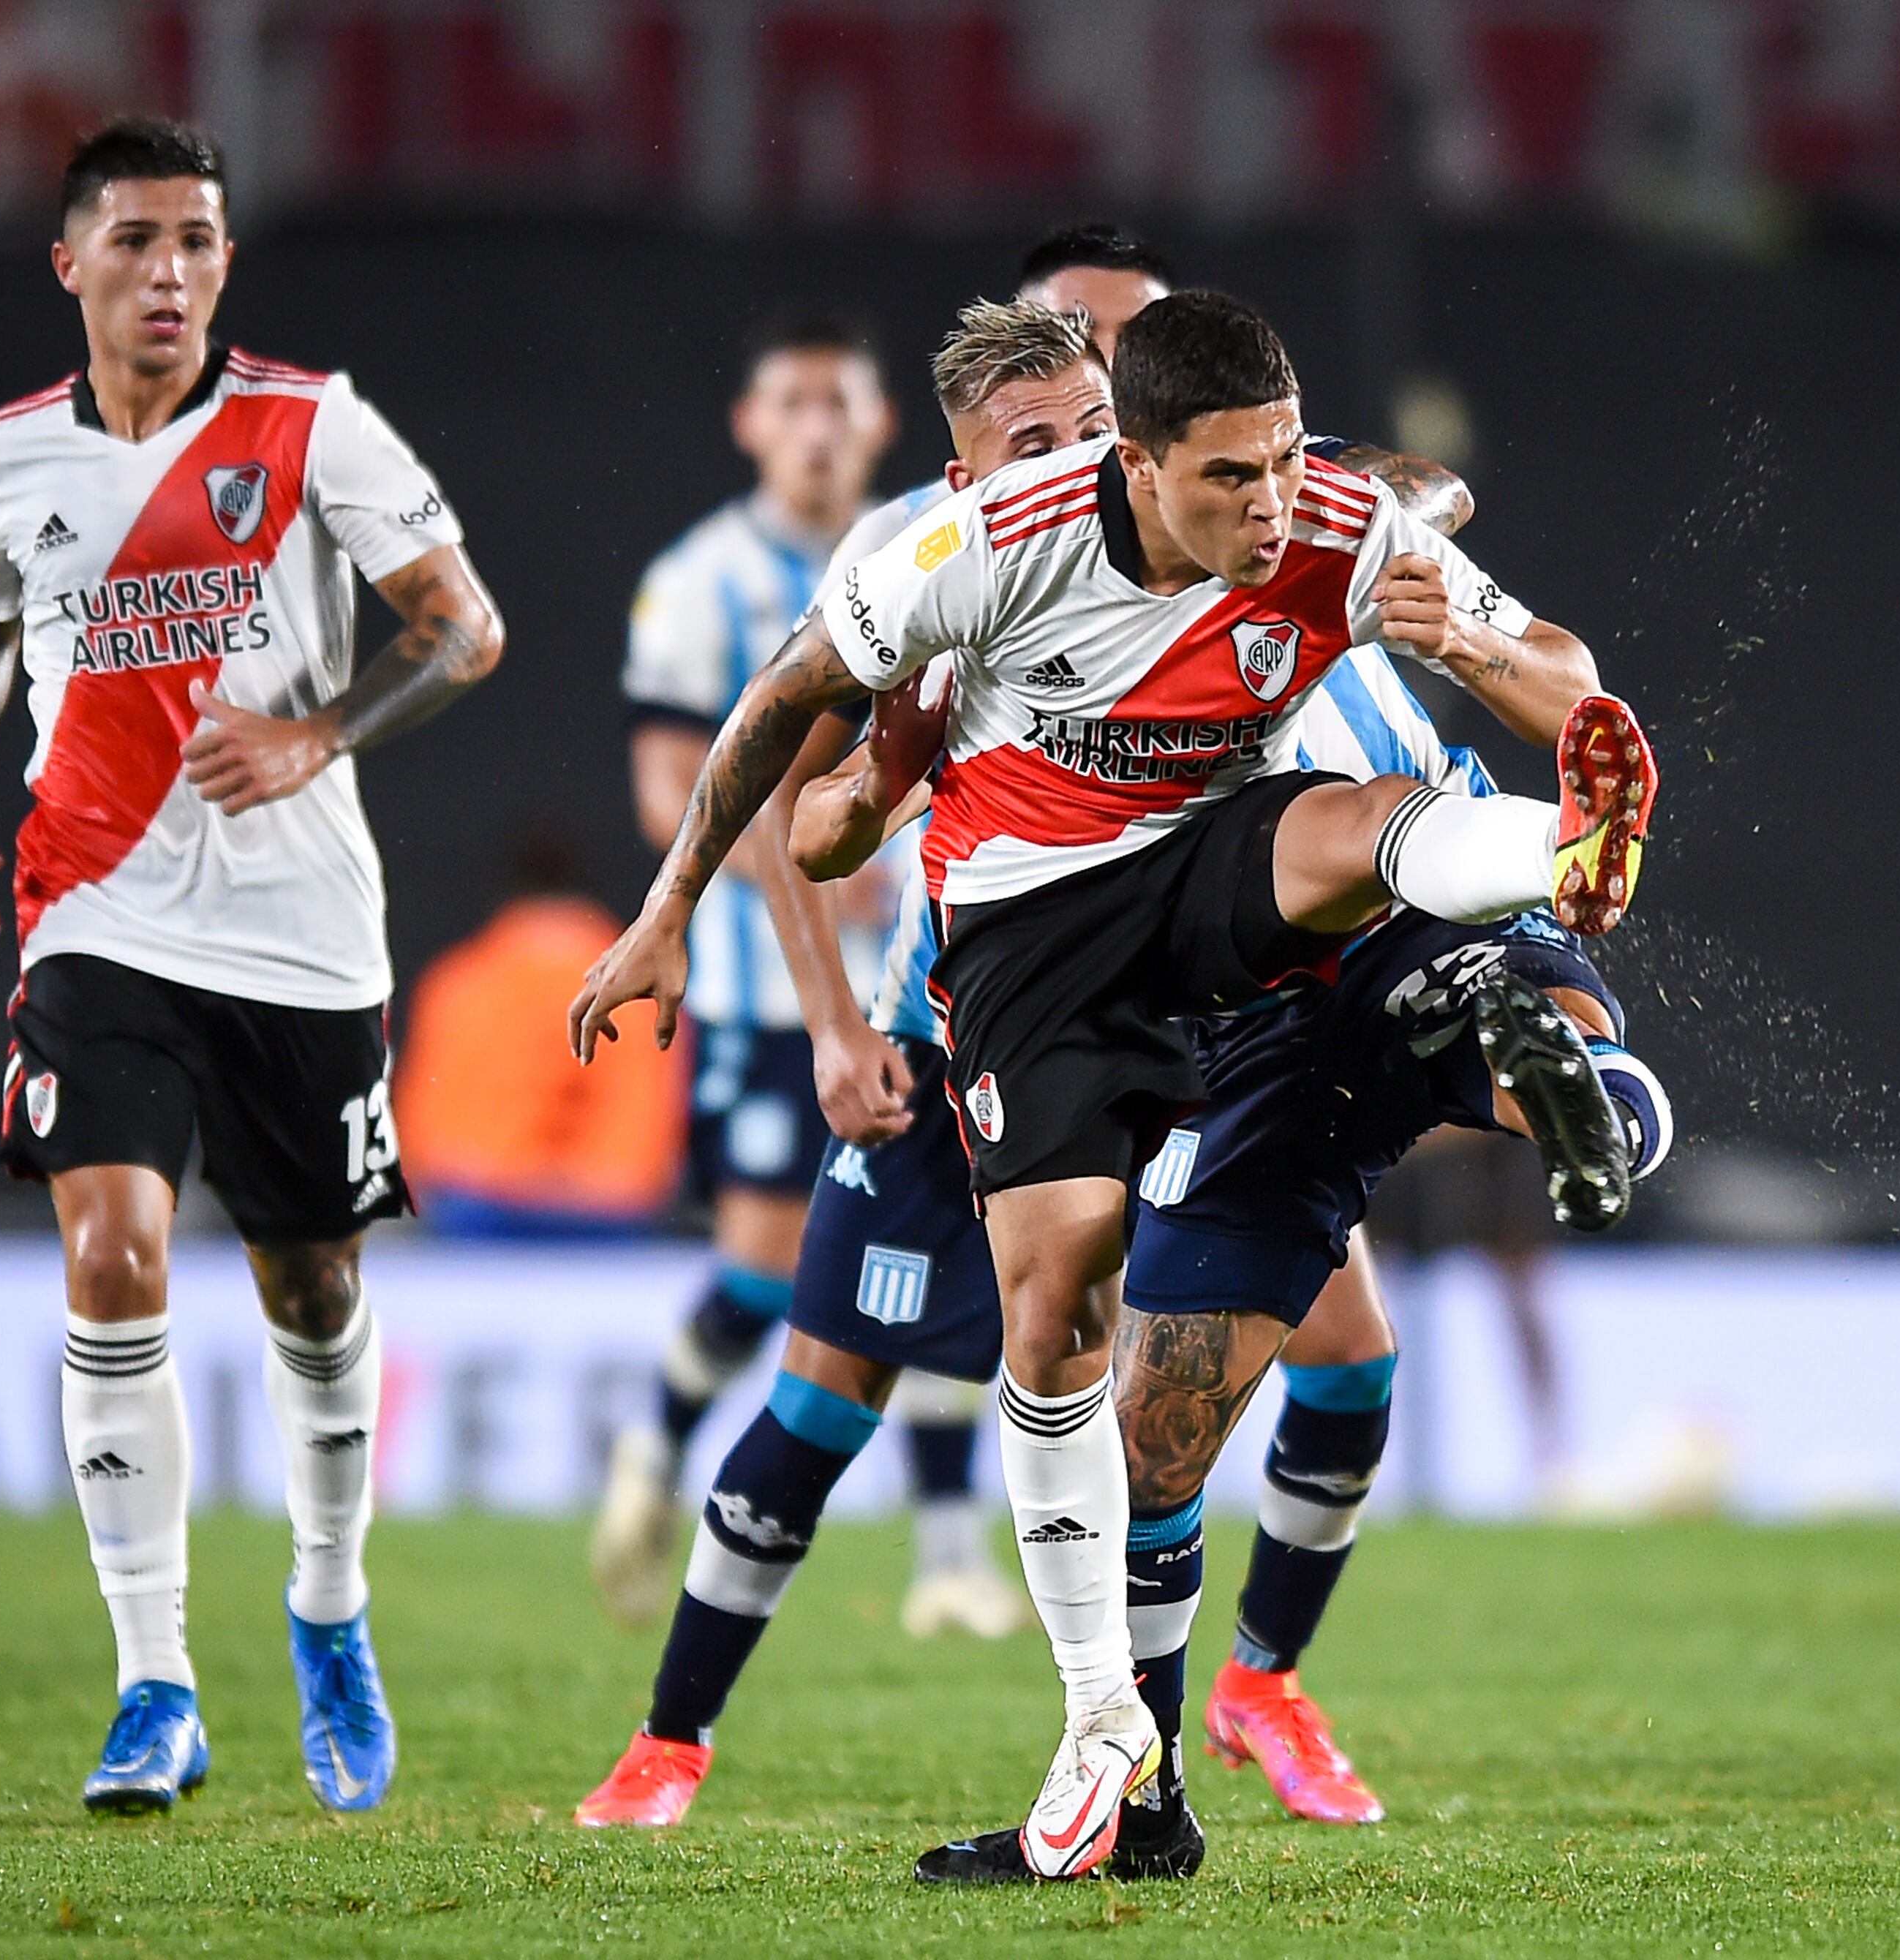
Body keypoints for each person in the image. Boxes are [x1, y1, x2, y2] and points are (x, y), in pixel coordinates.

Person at [572, 290, 1655, 1880]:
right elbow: (794, 754)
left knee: (1364, 829)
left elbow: (1521, 623)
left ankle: (1556, 861)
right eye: (1226, 474)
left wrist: (1476, 643)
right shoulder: (962, 558)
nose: (1266, 503)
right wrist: (683, 908)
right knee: (1036, 1319)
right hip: (1035, 936)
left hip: (1244, 889)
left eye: (1282, 462)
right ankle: (1073, 1723)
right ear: (1123, 469)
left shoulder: (1320, 520)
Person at [0, 118, 504, 1814]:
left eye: (198, 241)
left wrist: (321, 730)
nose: (170, 271)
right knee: (110, 1249)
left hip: (302, 932)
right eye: (137, 239)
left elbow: (464, 624)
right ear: (70, 263)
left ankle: (327, 1601)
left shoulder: (313, 424)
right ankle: (153, 1680)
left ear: (226, 262)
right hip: (97, 908)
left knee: (311, 1288)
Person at [591, 314, 1002, 1636]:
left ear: (881, 423)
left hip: (924, 977)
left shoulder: (935, 546)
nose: (818, 427)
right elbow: (668, 784)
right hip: (763, 992)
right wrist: (809, 853)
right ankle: (656, 1444)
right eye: (793, 402)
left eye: (841, 403)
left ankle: (950, 1558)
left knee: (953, 1235)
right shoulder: (696, 580)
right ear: (751, 424)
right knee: (772, 1271)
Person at [393, 830, 681, 1237]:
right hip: (606, 1211)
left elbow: (428, 1132)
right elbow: (643, 1136)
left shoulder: (460, 980)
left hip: (476, 1202)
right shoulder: (641, 987)